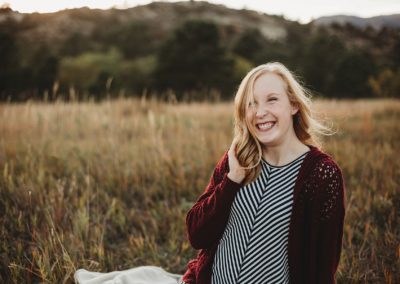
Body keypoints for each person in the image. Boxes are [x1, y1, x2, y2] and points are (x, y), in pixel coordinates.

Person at [180, 62, 346, 284]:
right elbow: (197, 234)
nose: (259, 112)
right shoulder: (239, 157)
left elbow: (323, 264)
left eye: (272, 100)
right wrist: (232, 180)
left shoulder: (321, 173)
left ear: (294, 104)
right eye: (251, 103)